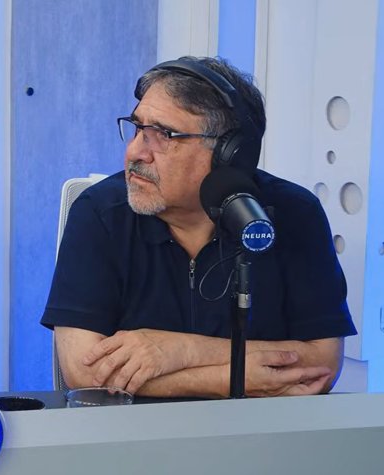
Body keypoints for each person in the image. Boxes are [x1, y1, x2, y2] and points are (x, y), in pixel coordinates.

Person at [41, 56, 356, 399]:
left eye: (163, 135)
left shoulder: (295, 214)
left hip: (259, 428)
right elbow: (84, 373)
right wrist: (232, 379)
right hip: (134, 427)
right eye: (137, 128)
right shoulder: (99, 213)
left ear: (229, 155)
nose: (135, 152)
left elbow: (322, 363)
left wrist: (180, 350)